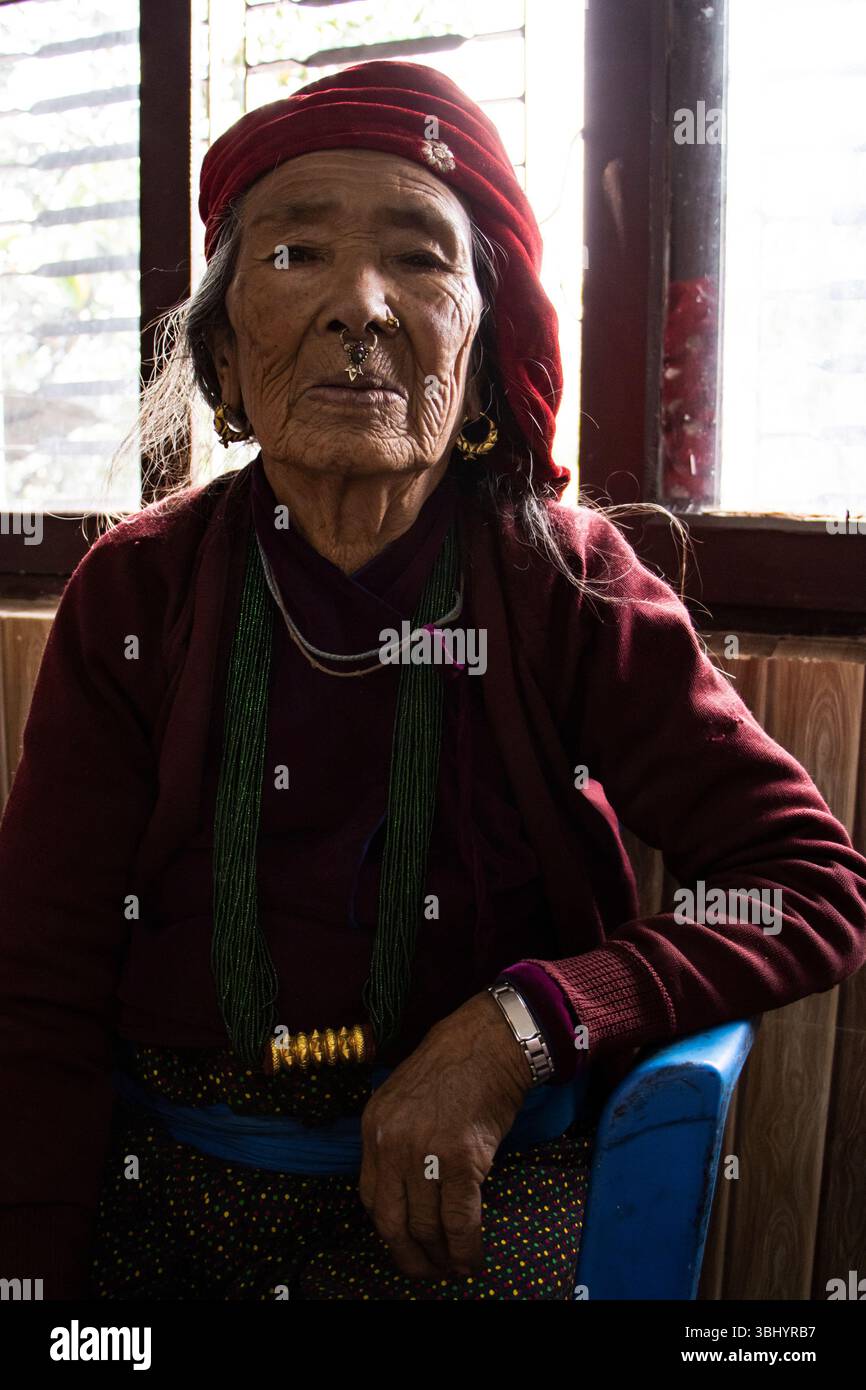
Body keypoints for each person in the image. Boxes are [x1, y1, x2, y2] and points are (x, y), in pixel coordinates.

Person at [1, 60, 864, 1302]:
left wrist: (521, 1026)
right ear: (224, 360)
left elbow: (805, 883)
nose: (361, 304)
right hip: (168, 1187)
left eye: (418, 258)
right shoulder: (138, 596)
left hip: (469, 1203)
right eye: (295, 255)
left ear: (483, 338)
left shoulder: (563, 587)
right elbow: (40, 978)